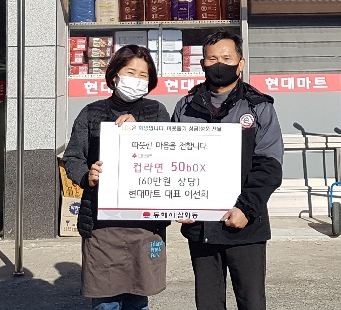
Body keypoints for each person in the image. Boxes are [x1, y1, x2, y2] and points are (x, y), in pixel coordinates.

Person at [171, 31, 283, 310]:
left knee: (251, 301)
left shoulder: (258, 107)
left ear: (240, 63)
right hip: (200, 227)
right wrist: (179, 204)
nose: (219, 64)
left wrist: (245, 208)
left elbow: (269, 165)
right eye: (212, 59)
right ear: (202, 64)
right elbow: (172, 161)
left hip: (245, 224)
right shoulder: (185, 107)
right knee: (207, 303)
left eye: (226, 57)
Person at [63, 45, 171, 310]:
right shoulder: (91, 113)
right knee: (106, 301)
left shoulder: (158, 112)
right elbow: (72, 157)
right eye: (131, 72)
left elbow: (170, 156)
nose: (137, 79)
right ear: (115, 76)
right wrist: (87, 176)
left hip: (145, 222)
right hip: (102, 223)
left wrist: (141, 131)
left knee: (138, 298)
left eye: (144, 75)